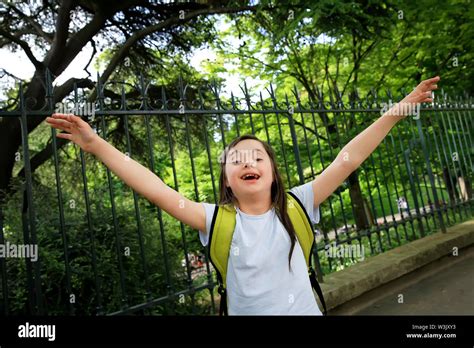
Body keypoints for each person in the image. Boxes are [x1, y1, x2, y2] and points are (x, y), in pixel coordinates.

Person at [46, 76, 440, 315]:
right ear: (228, 182)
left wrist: (401, 108)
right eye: (236, 159)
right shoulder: (215, 219)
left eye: (257, 156)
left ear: (271, 173)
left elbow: (347, 159)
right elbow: (156, 187)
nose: (247, 161)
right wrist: (97, 144)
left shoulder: (300, 202)